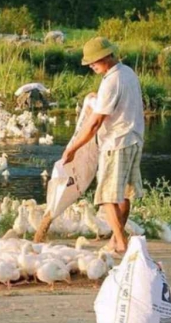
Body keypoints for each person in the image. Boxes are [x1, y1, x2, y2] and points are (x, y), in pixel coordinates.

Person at [57, 36, 145, 255]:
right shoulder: (128, 73)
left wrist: (72, 149)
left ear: (106, 57)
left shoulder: (110, 81)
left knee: (106, 196)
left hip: (116, 142)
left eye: (94, 61)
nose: (91, 65)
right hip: (134, 139)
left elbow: (95, 122)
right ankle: (116, 240)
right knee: (124, 194)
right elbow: (121, 104)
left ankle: (121, 244)